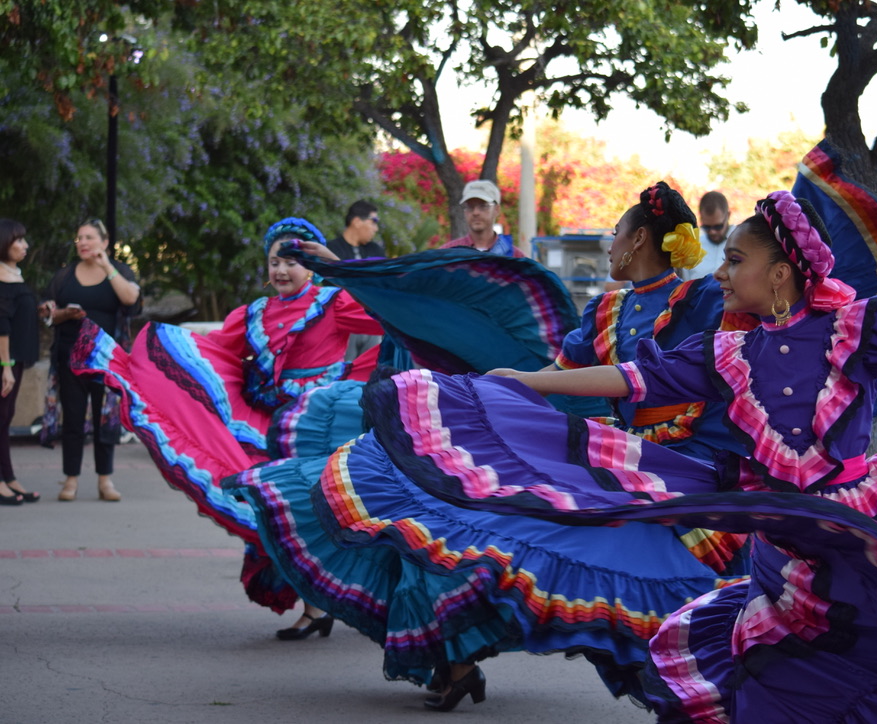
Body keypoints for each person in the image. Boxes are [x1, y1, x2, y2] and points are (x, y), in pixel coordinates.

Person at [355, 182, 877, 721]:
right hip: (774, 535)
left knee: (871, 661)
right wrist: (532, 382)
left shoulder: (856, 327)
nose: (723, 272)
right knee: (763, 666)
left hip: (847, 527)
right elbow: (637, 377)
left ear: (781, 272)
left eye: (735, 259)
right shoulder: (728, 349)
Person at [224, 184, 756, 711]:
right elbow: (556, 375)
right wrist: (495, 387)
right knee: (488, 534)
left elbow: (712, 365)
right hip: (625, 468)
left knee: (646, 591)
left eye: (616, 233)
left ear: (639, 238)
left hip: (692, 474)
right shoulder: (606, 312)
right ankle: (457, 660)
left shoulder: (706, 299)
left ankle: (711, 689)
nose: (609, 244)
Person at [71, 217, 384, 625]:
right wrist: (149, 361)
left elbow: (385, 311)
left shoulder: (334, 303)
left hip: (317, 424)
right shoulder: (252, 313)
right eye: (275, 261)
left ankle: (333, 602)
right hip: (266, 426)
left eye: (293, 261)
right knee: (275, 509)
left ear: (311, 266)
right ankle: (314, 606)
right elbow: (211, 352)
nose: (282, 270)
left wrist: (336, 267)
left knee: (315, 511)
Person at [42, 218, 140, 502]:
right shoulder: (65, 275)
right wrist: (61, 314)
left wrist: (106, 266)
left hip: (106, 358)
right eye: (79, 238)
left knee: (106, 418)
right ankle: (70, 479)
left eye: (89, 237)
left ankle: (105, 480)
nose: (83, 243)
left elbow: (132, 299)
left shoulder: (118, 271)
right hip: (70, 356)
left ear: (104, 242)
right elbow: (49, 312)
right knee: (72, 419)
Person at [0, 219, 41, 505]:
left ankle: (8, 477)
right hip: (5, 361)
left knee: (5, 419)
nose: (25, 246)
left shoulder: (13, 273)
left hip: (14, 360)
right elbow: (1, 325)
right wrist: (5, 367)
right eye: (19, 241)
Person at [325, 200, 386, 360]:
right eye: (373, 222)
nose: (376, 228)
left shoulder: (376, 250)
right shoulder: (331, 249)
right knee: (344, 371)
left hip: (372, 321)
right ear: (357, 221)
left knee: (369, 371)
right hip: (343, 323)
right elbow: (332, 285)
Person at [440, 180, 525, 257]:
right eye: (470, 207)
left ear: (496, 210)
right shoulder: (448, 254)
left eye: (483, 206)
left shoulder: (514, 257)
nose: (475, 212)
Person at [682, 191, 731, 280]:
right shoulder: (691, 248)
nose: (712, 232)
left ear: (728, 215)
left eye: (718, 226)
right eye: (706, 227)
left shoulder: (744, 242)